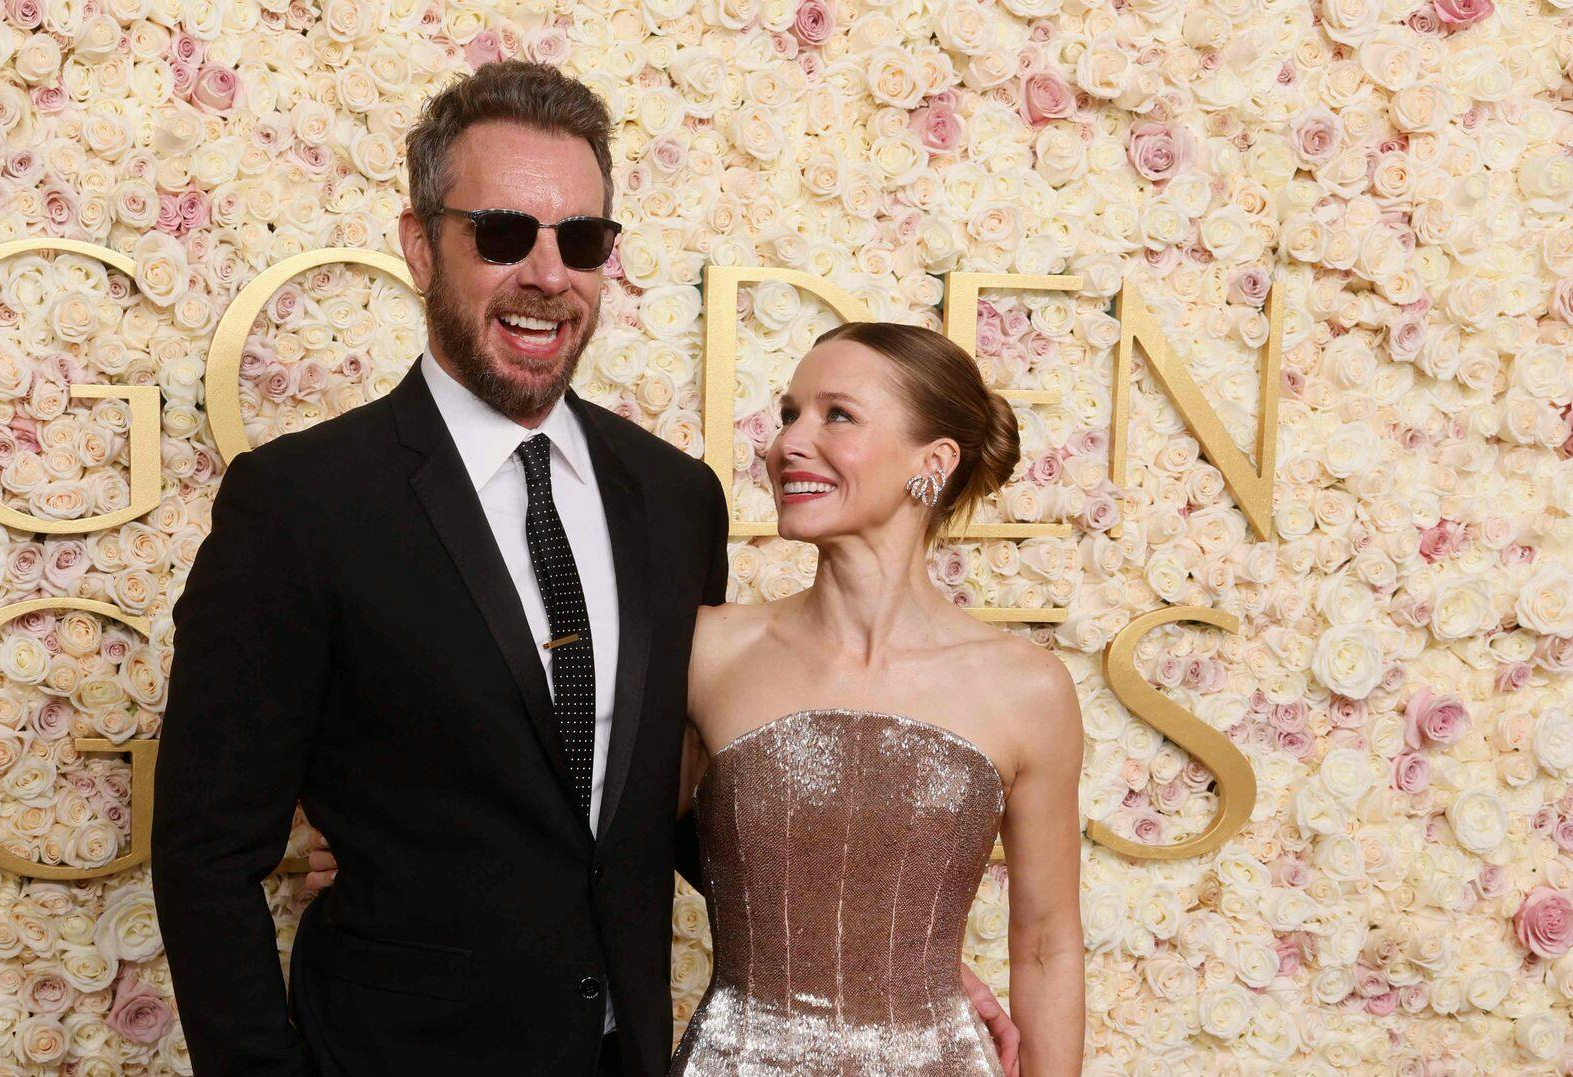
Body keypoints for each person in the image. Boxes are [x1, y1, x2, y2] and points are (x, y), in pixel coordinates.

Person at [152, 60, 1018, 1077]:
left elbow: (666, 798)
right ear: (419, 246)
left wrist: (880, 954)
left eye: (583, 240)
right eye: (504, 234)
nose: (547, 274)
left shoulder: (673, 498)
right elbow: (207, 853)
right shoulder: (302, 503)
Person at [666, 322, 1086, 1075]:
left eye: (837, 415)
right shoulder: (706, 651)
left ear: (933, 463)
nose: (788, 441)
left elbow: (1048, 941)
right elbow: (611, 860)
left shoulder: (1027, 687)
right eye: (790, 412)